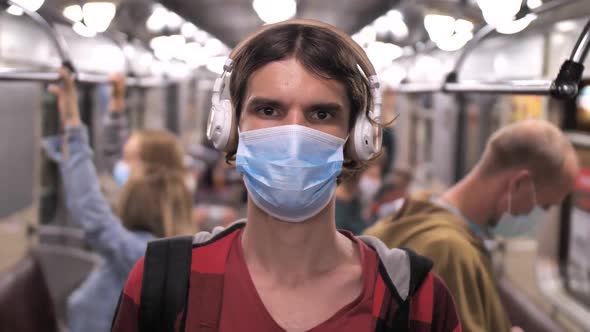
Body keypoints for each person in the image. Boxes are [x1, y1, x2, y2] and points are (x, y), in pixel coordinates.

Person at [112, 19, 461, 332]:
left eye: (321, 114)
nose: (293, 136)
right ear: (229, 128)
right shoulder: (165, 281)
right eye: (268, 110)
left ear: (357, 140)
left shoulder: (414, 298)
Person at [364, 120, 580, 332]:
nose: (540, 217)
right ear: (519, 184)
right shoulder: (449, 250)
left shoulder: (418, 210)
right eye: (545, 205)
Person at [42, 68, 196, 332]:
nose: (119, 166)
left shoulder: (142, 252)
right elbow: (115, 158)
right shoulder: (166, 217)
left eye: (130, 160)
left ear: (149, 170)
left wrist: (71, 121)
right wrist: (115, 107)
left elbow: (93, 214)